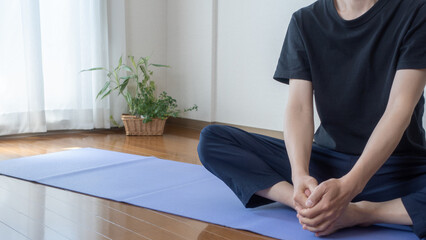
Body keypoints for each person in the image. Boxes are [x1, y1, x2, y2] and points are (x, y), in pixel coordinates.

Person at [197, 0, 426, 238]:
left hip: (397, 168)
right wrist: (300, 176)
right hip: (327, 164)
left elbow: (399, 109)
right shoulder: (304, 21)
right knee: (213, 140)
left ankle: (364, 212)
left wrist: (351, 186)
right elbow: (299, 108)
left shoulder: (416, 11)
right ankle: (309, 206)